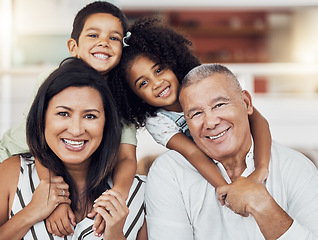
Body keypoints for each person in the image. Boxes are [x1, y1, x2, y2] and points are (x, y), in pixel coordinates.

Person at [0, 1, 138, 237]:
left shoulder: (122, 96)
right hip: (20, 156)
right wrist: (57, 199)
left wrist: (117, 198)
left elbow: (126, 156)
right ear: (73, 46)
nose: (103, 42)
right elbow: (39, 141)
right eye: (93, 34)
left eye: (114, 38)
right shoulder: (51, 79)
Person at [145, 63, 318, 239]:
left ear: (246, 103)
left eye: (219, 105)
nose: (210, 122)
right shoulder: (169, 173)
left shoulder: (297, 168)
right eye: (196, 114)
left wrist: (263, 205)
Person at [110, 18, 271, 196]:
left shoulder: (202, 83)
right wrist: (225, 188)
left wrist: (261, 169)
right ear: (136, 97)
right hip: (210, 174)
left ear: (172, 63)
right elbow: (193, 153)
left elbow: (258, 121)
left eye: (159, 70)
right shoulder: (158, 122)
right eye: (143, 83)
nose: (157, 83)